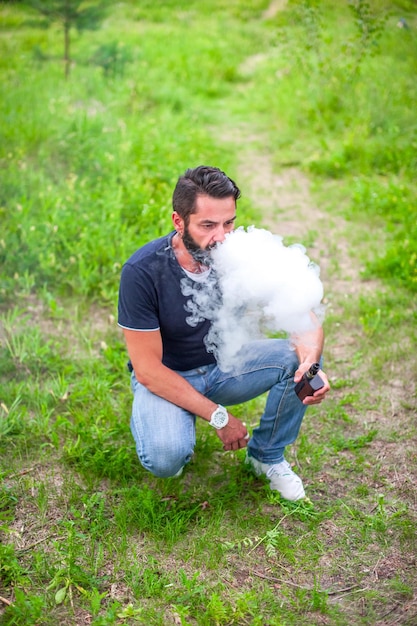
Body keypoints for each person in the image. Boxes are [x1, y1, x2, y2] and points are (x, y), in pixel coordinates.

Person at [118, 165, 330, 501]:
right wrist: (219, 418)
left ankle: (266, 456)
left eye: (228, 223)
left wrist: (311, 365)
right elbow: (147, 370)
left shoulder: (239, 255)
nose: (221, 236)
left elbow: (304, 317)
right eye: (208, 225)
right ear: (178, 221)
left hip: (224, 368)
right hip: (167, 375)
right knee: (165, 459)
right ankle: (171, 419)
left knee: (295, 358)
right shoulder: (142, 272)